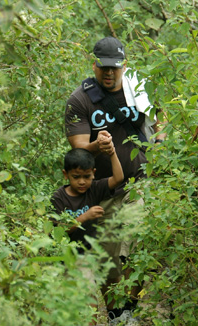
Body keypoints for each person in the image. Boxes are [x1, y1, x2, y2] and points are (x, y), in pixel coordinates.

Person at [64, 36, 167, 323]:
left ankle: (130, 312)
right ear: (93, 63)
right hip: (103, 190)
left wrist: (160, 138)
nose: (109, 73)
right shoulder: (80, 99)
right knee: (109, 264)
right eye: (103, 67)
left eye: (115, 67)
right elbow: (78, 145)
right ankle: (115, 316)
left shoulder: (139, 87)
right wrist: (97, 146)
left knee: (135, 246)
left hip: (138, 183)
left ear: (124, 65)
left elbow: (161, 118)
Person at [50, 144, 123, 325]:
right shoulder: (59, 197)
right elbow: (59, 230)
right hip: (74, 255)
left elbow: (119, 178)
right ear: (66, 174)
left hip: (93, 252)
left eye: (87, 177)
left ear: (94, 173)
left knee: (109, 282)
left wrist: (112, 153)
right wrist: (84, 217)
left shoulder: (94, 188)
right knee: (87, 301)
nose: (82, 182)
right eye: (76, 177)